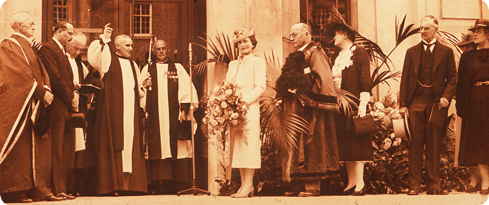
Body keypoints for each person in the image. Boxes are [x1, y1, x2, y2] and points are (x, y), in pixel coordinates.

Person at [0, 11, 63, 202]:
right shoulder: (9, 46)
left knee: (39, 147)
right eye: (31, 24)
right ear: (19, 25)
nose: (35, 27)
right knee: (21, 147)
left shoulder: (28, 46)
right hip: (23, 105)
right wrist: (41, 91)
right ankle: (15, 190)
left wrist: (45, 89)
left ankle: (38, 189)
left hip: (36, 103)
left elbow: (39, 71)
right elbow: (16, 74)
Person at [279, 23, 340, 197]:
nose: (292, 38)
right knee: (297, 146)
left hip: (310, 108)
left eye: (295, 34)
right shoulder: (298, 54)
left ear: (306, 34)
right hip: (296, 108)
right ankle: (298, 186)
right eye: (290, 35)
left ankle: (313, 187)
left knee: (313, 144)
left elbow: (323, 79)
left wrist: (304, 94)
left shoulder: (315, 52)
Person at [399, 15, 457, 195]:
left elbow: (453, 79)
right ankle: (414, 186)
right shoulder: (411, 51)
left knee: (434, 145)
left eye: (426, 28)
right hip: (416, 102)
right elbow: (405, 79)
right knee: (415, 144)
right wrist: (403, 104)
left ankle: (434, 187)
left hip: (436, 103)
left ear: (435, 30)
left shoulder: (446, 52)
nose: (422, 31)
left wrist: (447, 97)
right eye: (421, 28)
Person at [87, 25, 148, 195]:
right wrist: (104, 39)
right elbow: (95, 59)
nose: (131, 48)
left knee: (131, 143)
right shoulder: (108, 59)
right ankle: (113, 185)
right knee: (115, 142)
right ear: (117, 46)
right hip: (113, 112)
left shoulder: (133, 64)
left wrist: (143, 87)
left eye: (131, 45)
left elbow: (138, 90)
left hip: (131, 112)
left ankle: (132, 186)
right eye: (127, 45)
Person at [140, 39, 198, 194]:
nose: (161, 51)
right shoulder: (147, 68)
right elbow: (140, 91)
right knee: (156, 147)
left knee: (176, 148)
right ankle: (157, 183)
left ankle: (176, 183)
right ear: (154, 50)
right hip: (154, 117)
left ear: (168, 50)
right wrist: (144, 86)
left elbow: (187, 88)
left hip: (174, 116)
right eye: (158, 49)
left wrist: (184, 108)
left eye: (163, 48)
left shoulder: (177, 68)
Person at [328, 23, 372, 196]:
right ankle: (351, 182)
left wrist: (363, 103)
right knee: (344, 142)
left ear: (344, 34)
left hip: (353, 103)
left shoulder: (359, 52)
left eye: (336, 34)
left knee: (357, 142)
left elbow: (364, 77)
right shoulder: (336, 56)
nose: (333, 38)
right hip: (339, 104)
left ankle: (360, 183)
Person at [226, 28, 266, 198]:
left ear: (252, 43)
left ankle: (249, 184)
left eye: (246, 41)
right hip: (233, 110)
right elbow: (227, 86)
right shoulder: (233, 64)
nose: (243, 44)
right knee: (239, 146)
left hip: (248, 109)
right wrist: (226, 102)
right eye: (239, 42)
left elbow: (260, 87)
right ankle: (244, 186)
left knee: (248, 144)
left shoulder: (257, 62)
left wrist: (243, 102)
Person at [39, 20, 76, 200]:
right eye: (69, 33)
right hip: (57, 105)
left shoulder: (61, 50)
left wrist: (72, 93)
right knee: (56, 147)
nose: (71, 37)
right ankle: (54, 188)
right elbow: (55, 77)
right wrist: (70, 97)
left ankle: (61, 188)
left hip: (64, 104)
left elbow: (65, 77)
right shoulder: (48, 49)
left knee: (64, 147)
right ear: (60, 31)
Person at [65, 31, 103, 196]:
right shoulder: (63, 59)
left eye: (81, 49)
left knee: (78, 148)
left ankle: (75, 186)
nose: (78, 52)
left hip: (78, 110)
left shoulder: (79, 63)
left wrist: (95, 84)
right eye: (76, 48)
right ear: (67, 44)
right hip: (66, 108)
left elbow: (89, 81)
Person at [456, 19, 489, 195]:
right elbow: (461, 84)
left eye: (479, 31)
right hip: (475, 100)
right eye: (473, 31)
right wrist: (461, 106)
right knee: (475, 140)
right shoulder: (467, 56)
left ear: (488, 34)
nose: (474, 34)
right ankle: (480, 179)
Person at [453, 32, 480, 193]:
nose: (465, 49)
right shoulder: (465, 60)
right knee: (467, 142)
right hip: (468, 105)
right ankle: (473, 178)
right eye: (462, 47)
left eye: (467, 46)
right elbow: (461, 84)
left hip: (481, 104)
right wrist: (461, 106)